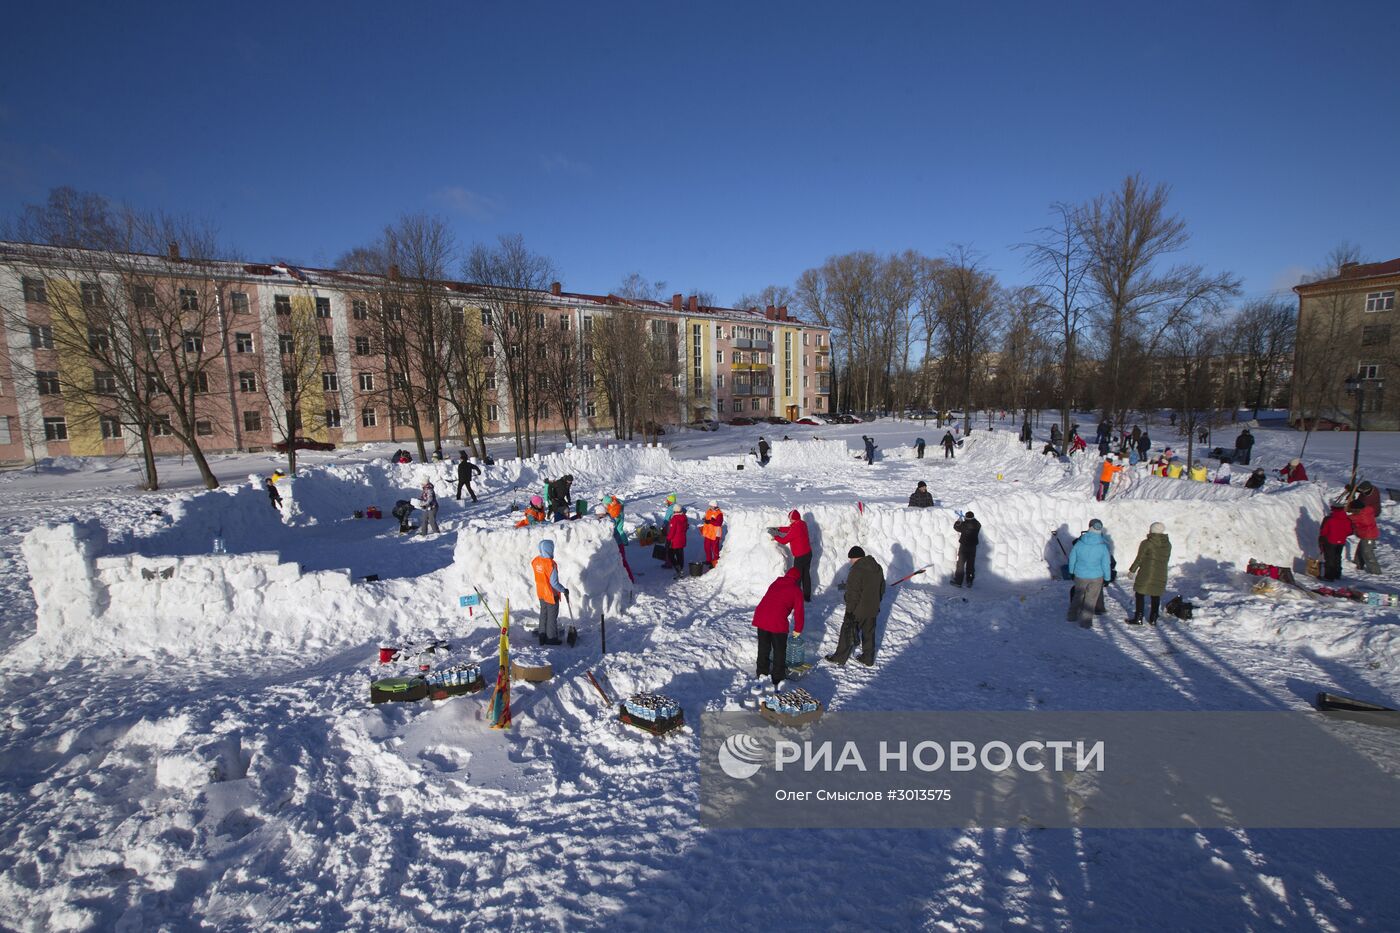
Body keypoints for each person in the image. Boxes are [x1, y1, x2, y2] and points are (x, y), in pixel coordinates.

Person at [826, 546, 885, 666]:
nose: (850, 561)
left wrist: (849, 611)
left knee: (847, 631)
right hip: (873, 608)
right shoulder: (877, 567)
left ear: (855, 558)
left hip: (858, 610)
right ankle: (868, 658)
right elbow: (882, 588)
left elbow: (853, 594)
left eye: (850, 559)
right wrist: (876, 602)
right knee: (869, 633)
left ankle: (839, 657)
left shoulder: (856, 570)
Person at [752, 567, 805, 687]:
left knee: (764, 648)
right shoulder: (796, 590)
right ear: (797, 580)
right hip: (777, 621)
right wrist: (798, 629)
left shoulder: (775, 583)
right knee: (779, 651)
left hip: (761, 617)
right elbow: (799, 612)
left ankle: (761, 673)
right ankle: (777, 677)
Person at [1067, 519, 1113, 629]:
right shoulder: (1102, 546)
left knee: (1078, 595)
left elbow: (1072, 558)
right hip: (1096, 577)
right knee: (1091, 599)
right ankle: (1085, 622)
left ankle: (1071, 615)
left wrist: (1071, 571)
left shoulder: (1080, 542)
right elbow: (1106, 563)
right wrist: (1107, 578)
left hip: (1080, 575)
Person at [1127, 522, 1171, 625]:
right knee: (1156, 595)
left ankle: (1138, 617)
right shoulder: (1168, 544)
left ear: (1152, 530)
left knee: (1140, 594)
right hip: (1161, 572)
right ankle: (1153, 617)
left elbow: (1140, 558)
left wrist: (1132, 570)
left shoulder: (1147, 543)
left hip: (1147, 573)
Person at [531, 540, 568, 644]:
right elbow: (554, 583)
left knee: (543, 614)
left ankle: (542, 636)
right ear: (550, 549)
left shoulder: (536, 561)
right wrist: (564, 590)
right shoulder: (551, 565)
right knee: (552, 617)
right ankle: (551, 639)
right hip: (551, 595)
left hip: (541, 592)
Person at [773, 509, 813, 602]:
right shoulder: (802, 523)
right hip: (808, 553)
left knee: (797, 577)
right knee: (806, 575)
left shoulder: (796, 528)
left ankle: (796, 597)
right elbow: (790, 528)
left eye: (790, 519)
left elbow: (784, 541)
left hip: (800, 556)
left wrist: (775, 536)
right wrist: (779, 529)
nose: (789, 520)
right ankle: (807, 597)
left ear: (794, 519)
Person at [1319, 504, 1352, 581]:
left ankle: (1329, 576)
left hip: (1330, 541)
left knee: (1330, 558)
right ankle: (1337, 574)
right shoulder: (1347, 519)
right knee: (1337, 557)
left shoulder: (1329, 519)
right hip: (1341, 541)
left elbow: (1323, 531)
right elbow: (1350, 531)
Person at [1349, 501, 1381, 574]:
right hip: (1369, 534)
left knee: (1367, 552)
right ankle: (1358, 565)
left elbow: (1349, 518)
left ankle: (1376, 571)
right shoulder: (1368, 510)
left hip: (1368, 537)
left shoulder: (1360, 516)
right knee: (1361, 549)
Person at [952, 510, 980, 587]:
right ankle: (969, 581)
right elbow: (974, 523)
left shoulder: (964, 525)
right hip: (973, 547)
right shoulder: (977, 524)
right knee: (971, 564)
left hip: (964, 547)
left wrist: (958, 521)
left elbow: (956, 527)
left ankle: (958, 582)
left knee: (960, 564)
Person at [667, 505, 689, 579]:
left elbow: (672, 531)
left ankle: (678, 569)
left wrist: (668, 539)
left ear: (675, 510)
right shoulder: (684, 517)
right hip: (682, 539)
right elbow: (686, 528)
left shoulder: (674, 519)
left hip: (675, 540)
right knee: (680, 555)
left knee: (671, 555)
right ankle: (681, 570)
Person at [701, 500, 724, 566]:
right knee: (707, 547)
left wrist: (710, 521)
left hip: (715, 534)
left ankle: (715, 562)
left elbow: (718, 523)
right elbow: (706, 518)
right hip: (708, 533)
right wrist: (705, 519)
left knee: (714, 549)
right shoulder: (709, 511)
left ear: (715, 506)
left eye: (711, 506)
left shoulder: (719, 514)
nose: (710, 507)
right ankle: (708, 560)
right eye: (710, 506)